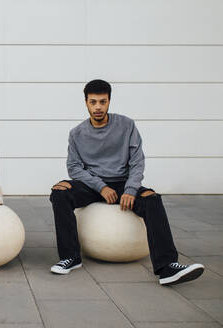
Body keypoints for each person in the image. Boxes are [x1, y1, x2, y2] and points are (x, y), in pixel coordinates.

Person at [49, 79, 204, 286]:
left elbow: (137, 162)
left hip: (123, 183)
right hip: (93, 185)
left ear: (109, 102)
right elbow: (74, 168)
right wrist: (101, 187)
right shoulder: (77, 134)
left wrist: (131, 189)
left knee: (152, 199)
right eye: (93, 102)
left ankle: (167, 267)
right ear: (85, 102)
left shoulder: (127, 125)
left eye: (102, 102)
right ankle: (71, 257)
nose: (97, 107)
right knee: (59, 192)